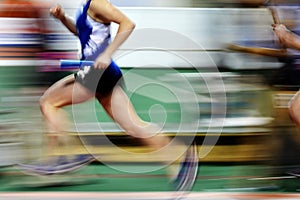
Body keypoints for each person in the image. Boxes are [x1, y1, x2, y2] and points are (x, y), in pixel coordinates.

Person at [20, 0, 198, 191]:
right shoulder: (86, 5)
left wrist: (107, 54)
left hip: (97, 74)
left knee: (48, 102)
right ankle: (182, 155)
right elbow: (82, 33)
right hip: (100, 74)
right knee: (134, 127)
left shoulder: (98, 3)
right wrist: (63, 18)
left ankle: (64, 156)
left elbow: (128, 24)